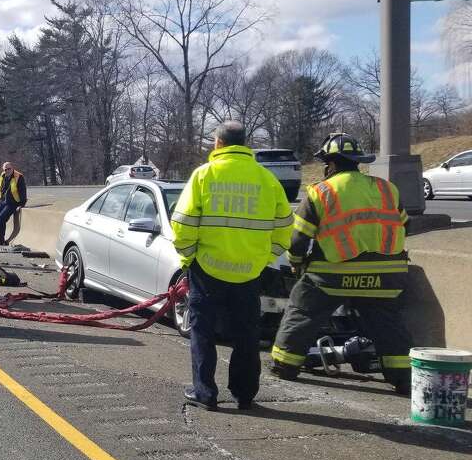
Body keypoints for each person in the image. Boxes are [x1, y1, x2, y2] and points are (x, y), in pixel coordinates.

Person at [270, 133, 413, 394]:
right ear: (357, 162)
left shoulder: (320, 192)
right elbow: (406, 225)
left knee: (302, 311)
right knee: (389, 324)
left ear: (331, 165)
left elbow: (299, 237)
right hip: (386, 276)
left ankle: (285, 364)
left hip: (333, 275)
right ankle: (403, 377)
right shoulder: (386, 189)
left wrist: (297, 263)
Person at [171, 121, 293, 411]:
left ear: (218, 143)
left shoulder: (204, 175)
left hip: (208, 269)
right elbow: (286, 226)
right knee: (247, 334)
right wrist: (265, 258)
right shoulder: (266, 179)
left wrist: (189, 258)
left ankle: (205, 393)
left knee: (202, 332)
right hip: (249, 272)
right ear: (244, 144)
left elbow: (182, 223)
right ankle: (244, 394)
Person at [0, 161, 26, 245]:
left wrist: (21, 204)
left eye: (9, 169)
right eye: (5, 169)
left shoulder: (19, 177)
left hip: (13, 203)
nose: (7, 171)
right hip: (2, 200)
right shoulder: (2, 175)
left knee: (1, 218)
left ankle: (1, 241)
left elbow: (23, 191)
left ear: (12, 168)